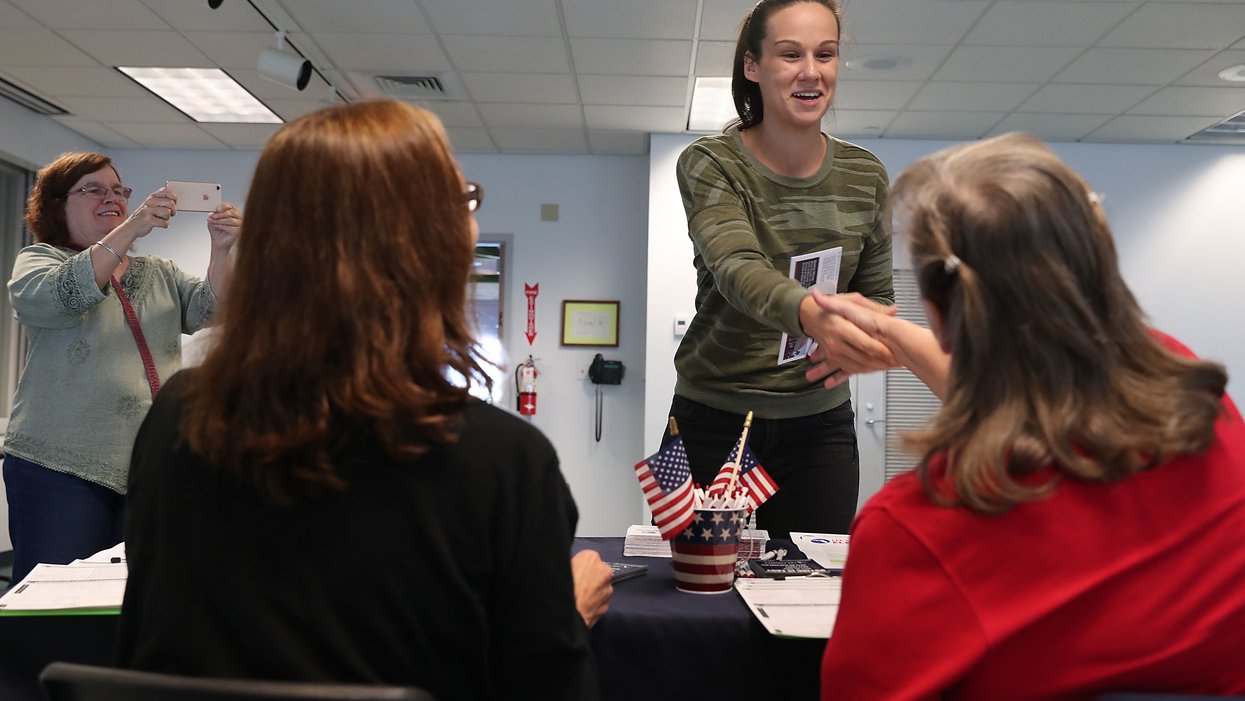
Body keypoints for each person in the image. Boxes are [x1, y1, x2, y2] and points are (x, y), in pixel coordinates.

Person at [114, 100, 601, 701]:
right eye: (464, 201)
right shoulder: (503, 461)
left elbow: (147, 647)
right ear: (426, 246)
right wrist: (567, 612)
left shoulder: (179, 417)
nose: (472, 221)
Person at [816, 132, 1245, 699]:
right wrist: (896, 334)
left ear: (941, 318)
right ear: (1101, 268)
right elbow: (1034, 383)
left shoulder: (919, 531)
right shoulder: (1204, 413)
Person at [663, 0, 895, 538]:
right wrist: (816, 315)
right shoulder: (709, 162)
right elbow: (737, 267)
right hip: (711, 418)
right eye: (790, 54)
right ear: (753, 66)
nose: (811, 71)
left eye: (825, 54)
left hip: (820, 426)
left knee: (811, 602)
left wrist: (860, 341)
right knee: (701, 592)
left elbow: (877, 295)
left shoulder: (867, 174)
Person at [3, 152, 240, 586]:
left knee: (134, 597)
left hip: (146, 465)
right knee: (53, 599)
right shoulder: (40, 260)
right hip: (60, 465)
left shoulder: (159, 272)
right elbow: (61, 297)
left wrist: (222, 250)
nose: (111, 197)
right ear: (57, 204)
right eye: (93, 189)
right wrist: (132, 227)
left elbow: (212, 310)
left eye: (117, 190)